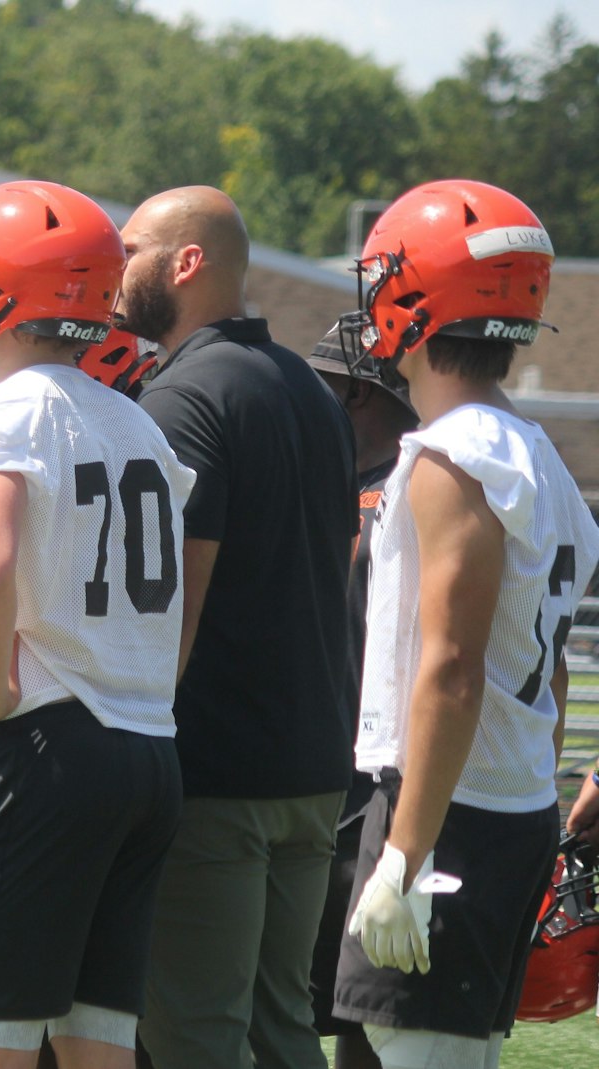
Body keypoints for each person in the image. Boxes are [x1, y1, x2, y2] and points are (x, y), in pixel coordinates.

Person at [0, 181, 192, 1069]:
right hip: (147, 749)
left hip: (47, 746)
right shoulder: (136, 421)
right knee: (98, 1033)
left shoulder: (2, 412)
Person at [331, 180, 599, 1069]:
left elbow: (450, 667)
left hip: (451, 809)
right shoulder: (537, 457)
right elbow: (551, 678)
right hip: (505, 800)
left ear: (415, 297)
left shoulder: (459, 454)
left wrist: (404, 854)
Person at [119, 185, 359, 1069]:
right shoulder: (308, 387)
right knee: (281, 1026)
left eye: (131, 248)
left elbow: (172, 604)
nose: (116, 268)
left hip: (218, 773)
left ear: (186, 263)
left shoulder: (182, 399)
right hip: (312, 761)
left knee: (196, 1034)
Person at [298, 326, 418, 1069]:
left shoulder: (395, 495)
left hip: (366, 780)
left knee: (360, 1011)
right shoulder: (370, 489)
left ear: (356, 390)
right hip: (351, 777)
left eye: (321, 378)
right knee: (356, 1012)